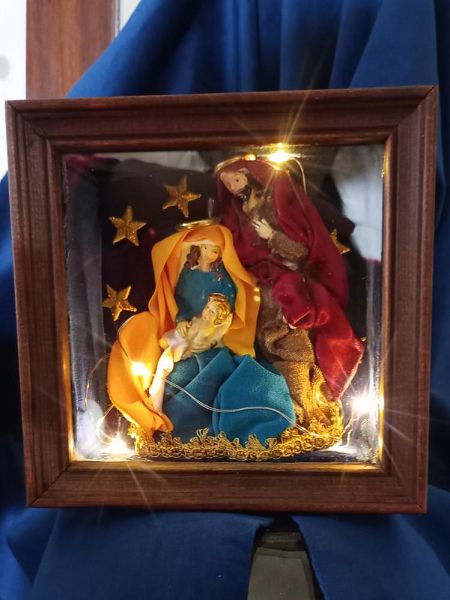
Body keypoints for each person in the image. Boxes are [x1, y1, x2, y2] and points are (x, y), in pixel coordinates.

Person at [107, 222, 295, 445]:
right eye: (207, 248)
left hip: (210, 334)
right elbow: (179, 302)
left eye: (216, 250)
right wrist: (181, 322)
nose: (211, 254)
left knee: (191, 363)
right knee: (168, 362)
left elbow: (228, 307)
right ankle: (155, 404)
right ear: (199, 249)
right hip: (187, 329)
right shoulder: (188, 274)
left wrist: (214, 329)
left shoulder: (223, 279)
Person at [216, 158, 364, 425]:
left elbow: (299, 250)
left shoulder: (273, 205)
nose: (233, 188)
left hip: (287, 293)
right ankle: (279, 411)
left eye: (235, 180)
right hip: (260, 293)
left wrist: (271, 236)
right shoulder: (239, 211)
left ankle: (304, 412)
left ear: (248, 175)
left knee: (293, 352)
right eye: (227, 185)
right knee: (266, 352)